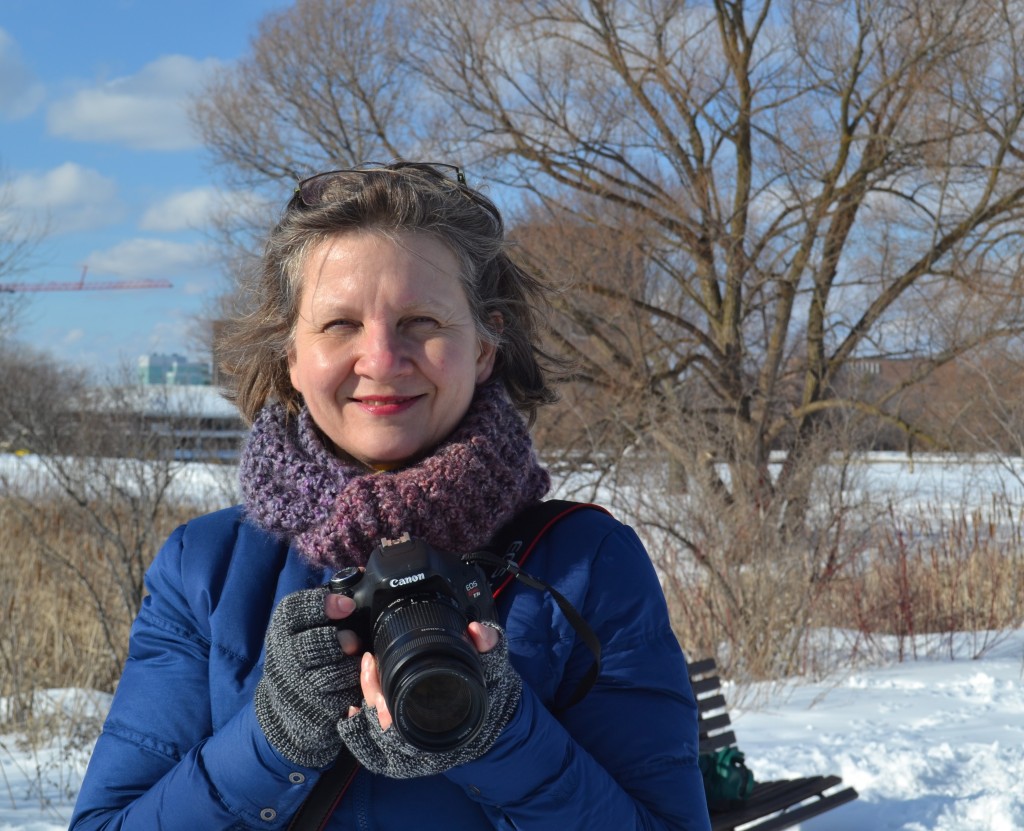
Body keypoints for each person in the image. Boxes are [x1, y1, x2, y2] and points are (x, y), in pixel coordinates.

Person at [69, 162, 711, 830]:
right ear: (291, 353)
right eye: (340, 324)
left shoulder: (587, 563)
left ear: (486, 345)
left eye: (422, 320)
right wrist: (268, 742)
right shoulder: (206, 569)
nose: (381, 357)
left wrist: (502, 739)